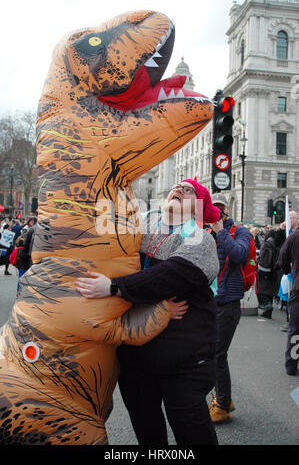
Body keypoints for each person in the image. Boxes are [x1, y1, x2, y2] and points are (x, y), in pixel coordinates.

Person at [75, 179, 221, 445]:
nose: (178, 189)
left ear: (199, 208)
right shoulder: (141, 234)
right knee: (148, 436)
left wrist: (114, 287)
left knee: (193, 434)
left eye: (189, 191)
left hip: (183, 365)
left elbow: (173, 275)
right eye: (177, 186)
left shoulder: (202, 240)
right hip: (136, 362)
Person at [208, 193, 251, 424]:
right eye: (212, 209)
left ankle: (223, 405)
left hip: (229, 302)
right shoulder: (204, 231)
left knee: (218, 354)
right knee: (210, 352)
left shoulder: (239, 231)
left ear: (226, 211)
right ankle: (224, 396)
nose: (216, 213)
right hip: (209, 302)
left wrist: (220, 232)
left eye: (219, 209)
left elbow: (240, 255)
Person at [278, 226, 299, 376]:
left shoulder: (295, 236)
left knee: (296, 329)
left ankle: (292, 364)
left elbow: (282, 258)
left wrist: (287, 270)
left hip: (298, 287)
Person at [256, 230, 281, 319]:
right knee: (270, 290)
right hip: (274, 270)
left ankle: (267, 307)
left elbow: (262, 257)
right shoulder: (277, 244)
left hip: (264, 269)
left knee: (262, 289)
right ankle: (268, 311)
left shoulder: (267, 244)